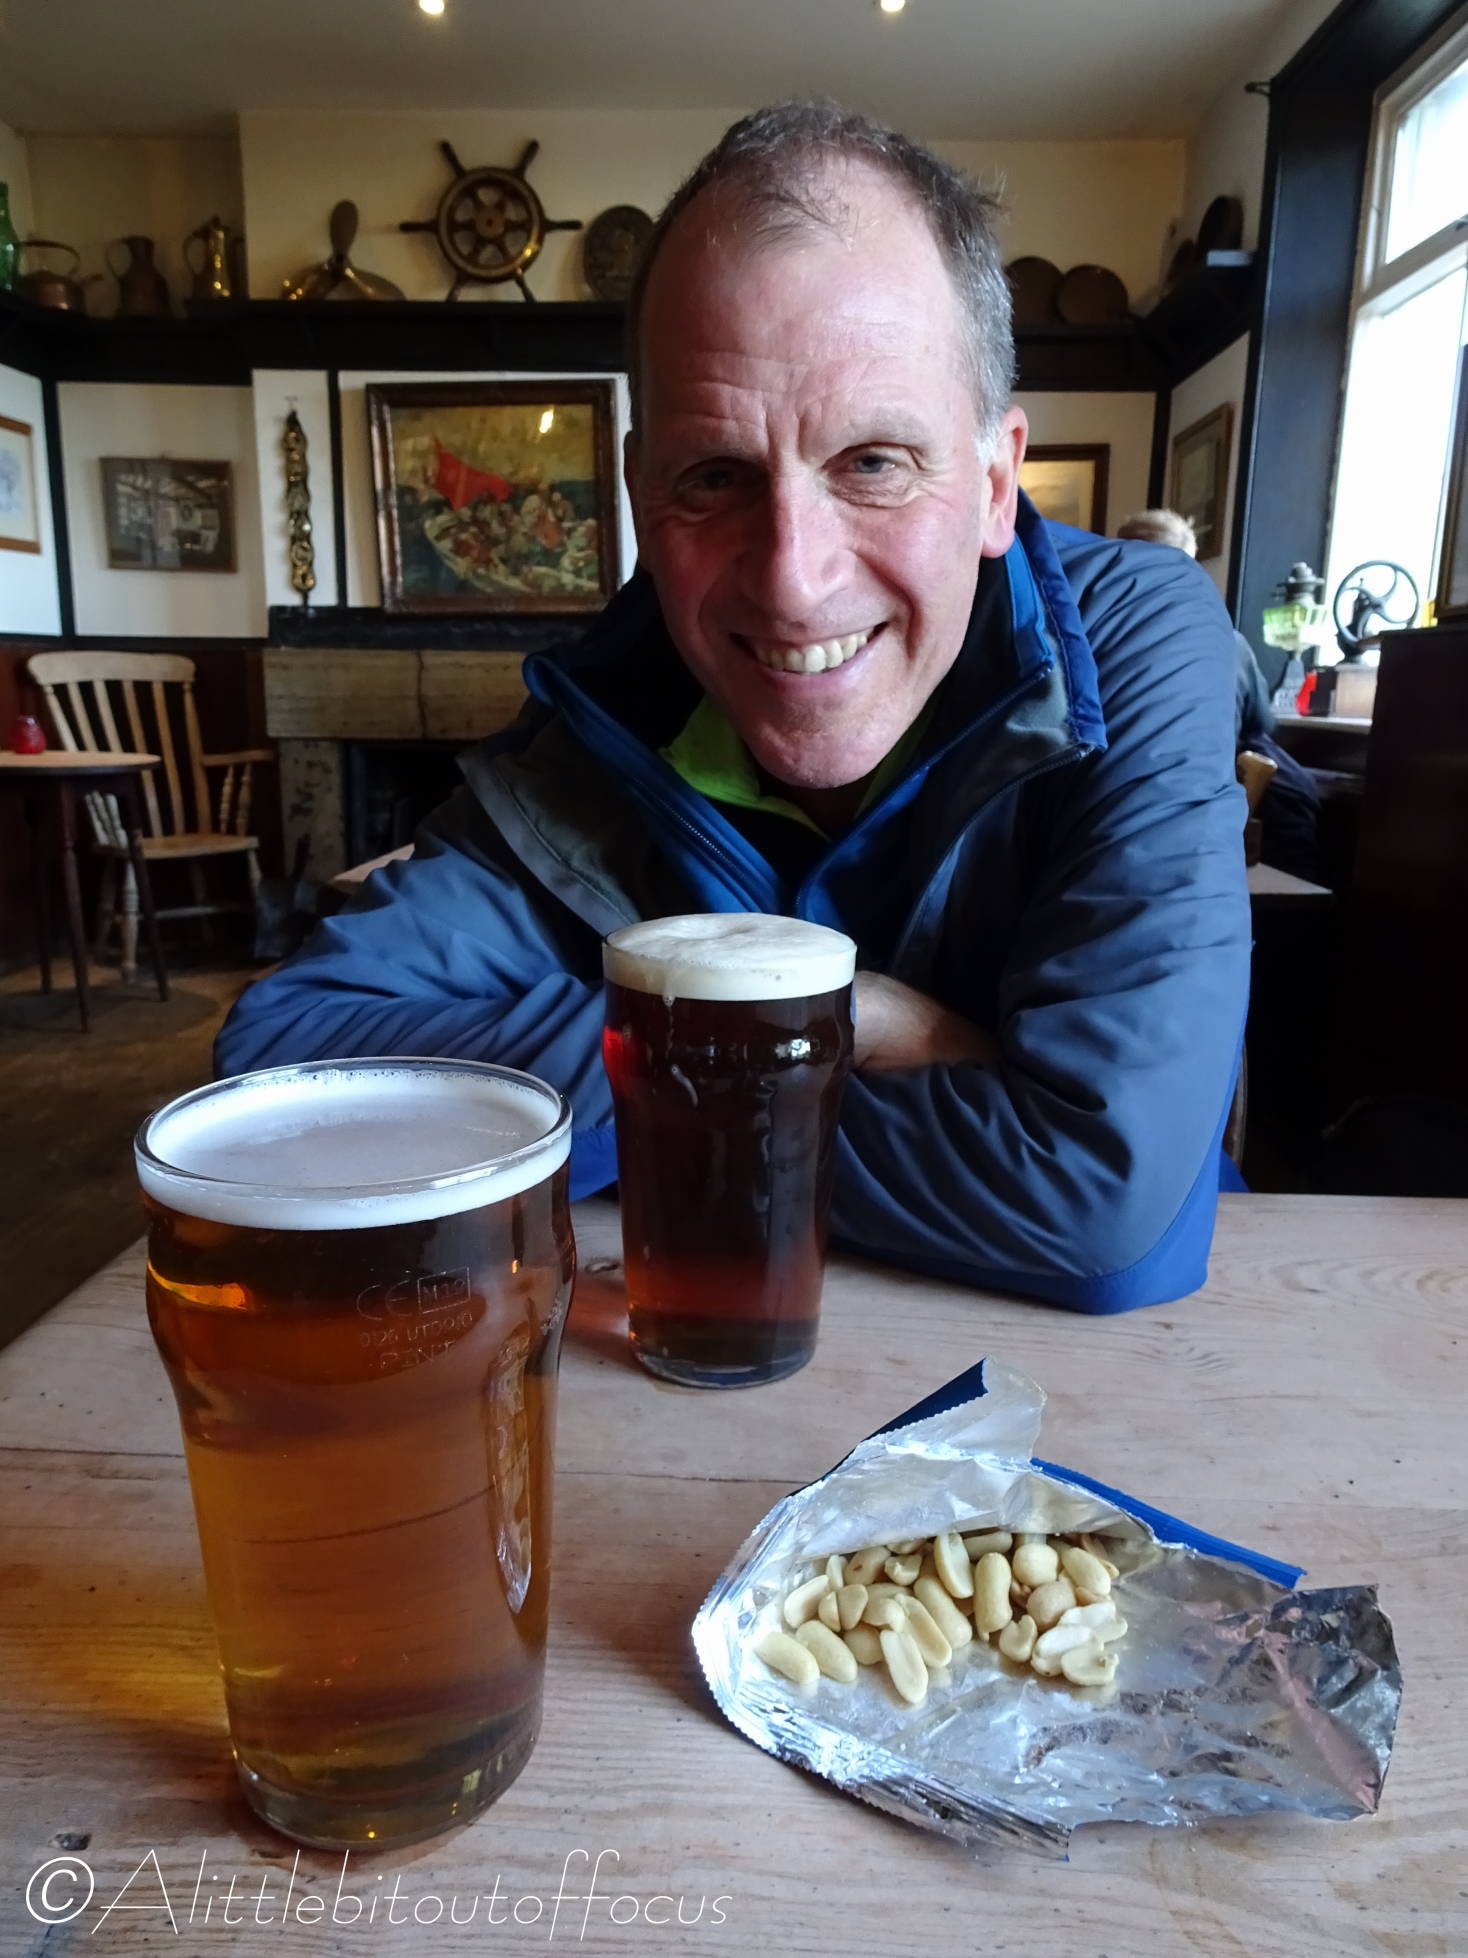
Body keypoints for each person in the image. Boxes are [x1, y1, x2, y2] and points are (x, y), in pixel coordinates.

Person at [218, 103, 1250, 1312]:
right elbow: (283, 1062)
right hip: (661, 1363)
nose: (793, 580)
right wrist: (825, 1018)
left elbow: (1097, 1205)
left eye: (873, 462)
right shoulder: (600, 719)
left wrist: (663, 1080)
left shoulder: (1132, 632)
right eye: (714, 475)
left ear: (991, 483)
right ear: (641, 494)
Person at [1117, 506, 1321, 882]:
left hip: (1123, 794)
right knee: (1297, 795)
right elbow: (1262, 722)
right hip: (1205, 788)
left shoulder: (1091, 628)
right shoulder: (1228, 639)